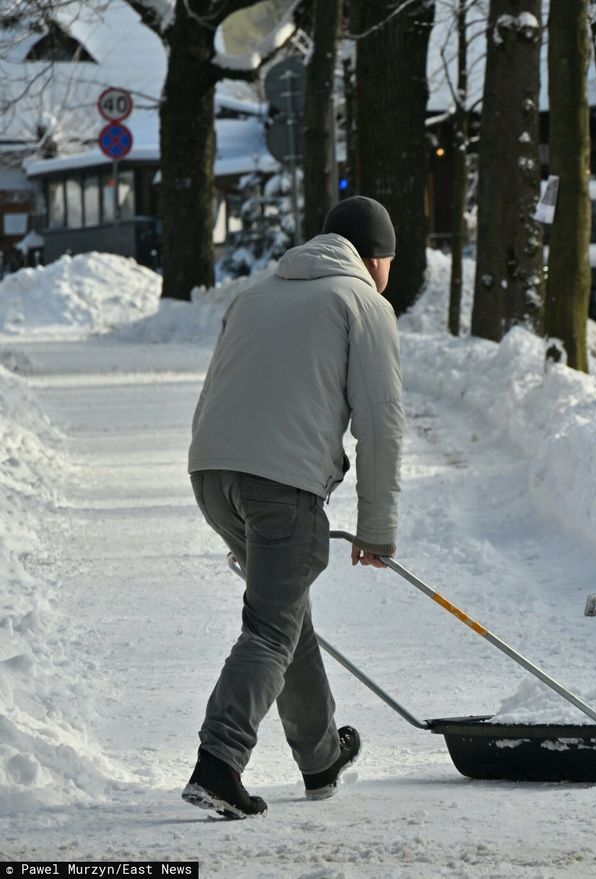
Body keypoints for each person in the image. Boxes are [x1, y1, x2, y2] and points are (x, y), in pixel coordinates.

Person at [183, 196, 404, 819]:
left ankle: (320, 756)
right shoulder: (363, 304)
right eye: (389, 260)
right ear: (375, 257)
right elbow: (381, 426)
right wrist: (376, 529)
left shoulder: (254, 296)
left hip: (211, 473)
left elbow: (213, 392)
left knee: (285, 612)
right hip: (280, 486)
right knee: (271, 627)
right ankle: (218, 763)